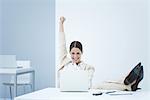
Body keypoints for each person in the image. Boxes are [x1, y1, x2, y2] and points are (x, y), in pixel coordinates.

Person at [58, 16, 95, 88]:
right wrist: (61, 23)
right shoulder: (64, 61)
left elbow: (87, 86)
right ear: (69, 52)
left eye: (78, 53)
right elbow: (61, 42)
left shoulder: (88, 68)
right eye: (73, 53)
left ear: (82, 52)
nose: (75, 56)